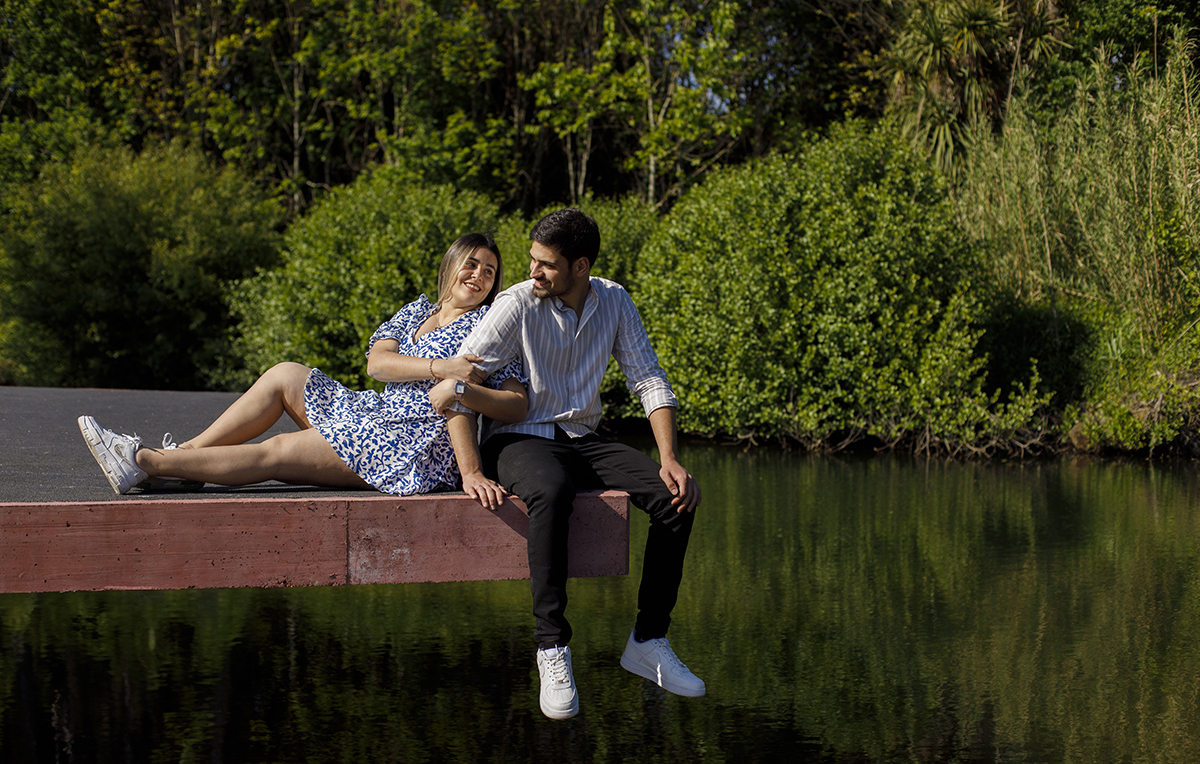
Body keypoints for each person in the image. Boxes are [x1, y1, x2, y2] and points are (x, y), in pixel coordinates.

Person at [442, 209, 703, 721]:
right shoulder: (517, 302)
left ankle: (649, 639)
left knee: (676, 499)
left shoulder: (615, 300)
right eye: (532, 259)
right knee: (552, 490)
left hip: (583, 436)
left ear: (580, 266)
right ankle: (552, 647)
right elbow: (460, 378)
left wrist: (669, 458)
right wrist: (470, 469)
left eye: (546, 264)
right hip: (519, 437)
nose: (533, 271)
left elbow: (648, 378)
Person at [78, 233, 522, 502]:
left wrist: (471, 467)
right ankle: (185, 459)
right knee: (284, 374)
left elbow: (508, 399)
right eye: (471, 264)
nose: (478, 276)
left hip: (412, 444)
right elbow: (377, 364)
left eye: (489, 271)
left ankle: (143, 461)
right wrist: (440, 366)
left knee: (278, 452)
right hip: (375, 413)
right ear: (450, 265)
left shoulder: (489, 328)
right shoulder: (418, 310)